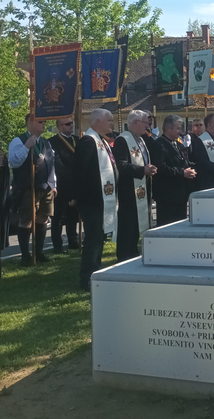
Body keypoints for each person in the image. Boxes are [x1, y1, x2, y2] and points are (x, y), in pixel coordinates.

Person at [75, 108, 119, 290]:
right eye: (109, 120)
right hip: (92, 200)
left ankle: (95, 270)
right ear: (97, 122)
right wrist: (77, 198)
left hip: (102, 199)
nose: (112, 124)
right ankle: (86, 278)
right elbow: (80, 172)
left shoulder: (102, 141)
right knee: (93, 239)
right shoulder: (88, 141)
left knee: (98, 238)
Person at [8, 113, 57, 265]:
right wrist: (27, 146)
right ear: (30, 121)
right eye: (40, 121)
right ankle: (25, 256)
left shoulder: (45, 142)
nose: (43, 124)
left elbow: (51, 165)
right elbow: (14, 162)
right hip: (28, 187)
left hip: (46, 186)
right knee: (27, 220)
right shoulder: (19, 141)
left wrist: (54, 184)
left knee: (43, 217)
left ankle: (39, 252)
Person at [113, 110, 157, 262]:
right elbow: (121, 165)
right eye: (146, 123)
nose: (148, 126)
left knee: (135, 226)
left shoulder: (139, 139)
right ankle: (125, 256)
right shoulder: (123, 140)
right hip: (128, 191)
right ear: (136, 122)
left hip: (141, 190)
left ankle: (132, 253)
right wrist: (143, 170)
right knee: (128, 226)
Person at [152, 114, 197, 225]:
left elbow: (185, 162)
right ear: (168, 128)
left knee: (180, 225)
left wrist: (195, 168)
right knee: (167, 225)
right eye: (177, 128)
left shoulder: (178, 143)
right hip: (167, 195)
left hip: (180, 193)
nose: (180, 131)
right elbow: (160, 167)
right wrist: (182, 173)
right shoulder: (159, 144)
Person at [47, 117, 80, 253]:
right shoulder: (53, 141)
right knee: (58, 217)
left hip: (75, 183)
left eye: (71, 123)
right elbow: (57, 162)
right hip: (61, 183)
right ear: (59, 126)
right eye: (67, 124)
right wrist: (70, 176)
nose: (70, 126)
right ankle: (58, 245)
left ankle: (73, 241)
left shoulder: (77, 140)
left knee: (73, 215)